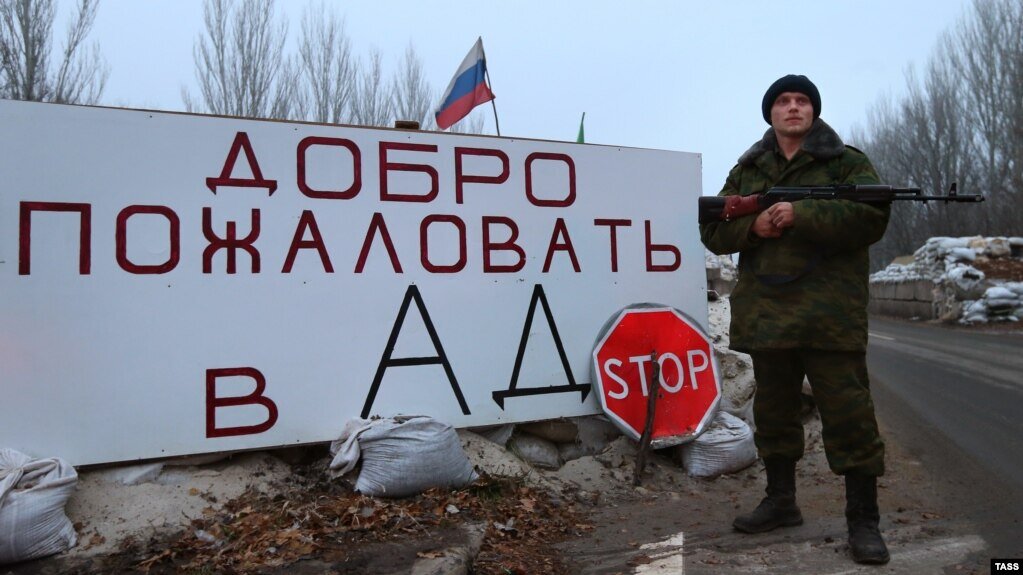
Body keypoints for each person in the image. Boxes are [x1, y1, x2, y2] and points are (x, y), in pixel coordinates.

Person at [699, 74, 891, 565]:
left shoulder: (846, 161)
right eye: (783, 101)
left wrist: (802, 215)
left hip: (831, 318)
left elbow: (872, 217)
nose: (792, 108)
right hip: (769, 317)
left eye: (802, 101)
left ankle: (863, 520)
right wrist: (757, 226)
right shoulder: (749, 167)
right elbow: (713, 229)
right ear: (770, 113)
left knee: (851, 418)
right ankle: (781, 501)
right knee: (775, 416)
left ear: (814, 111)